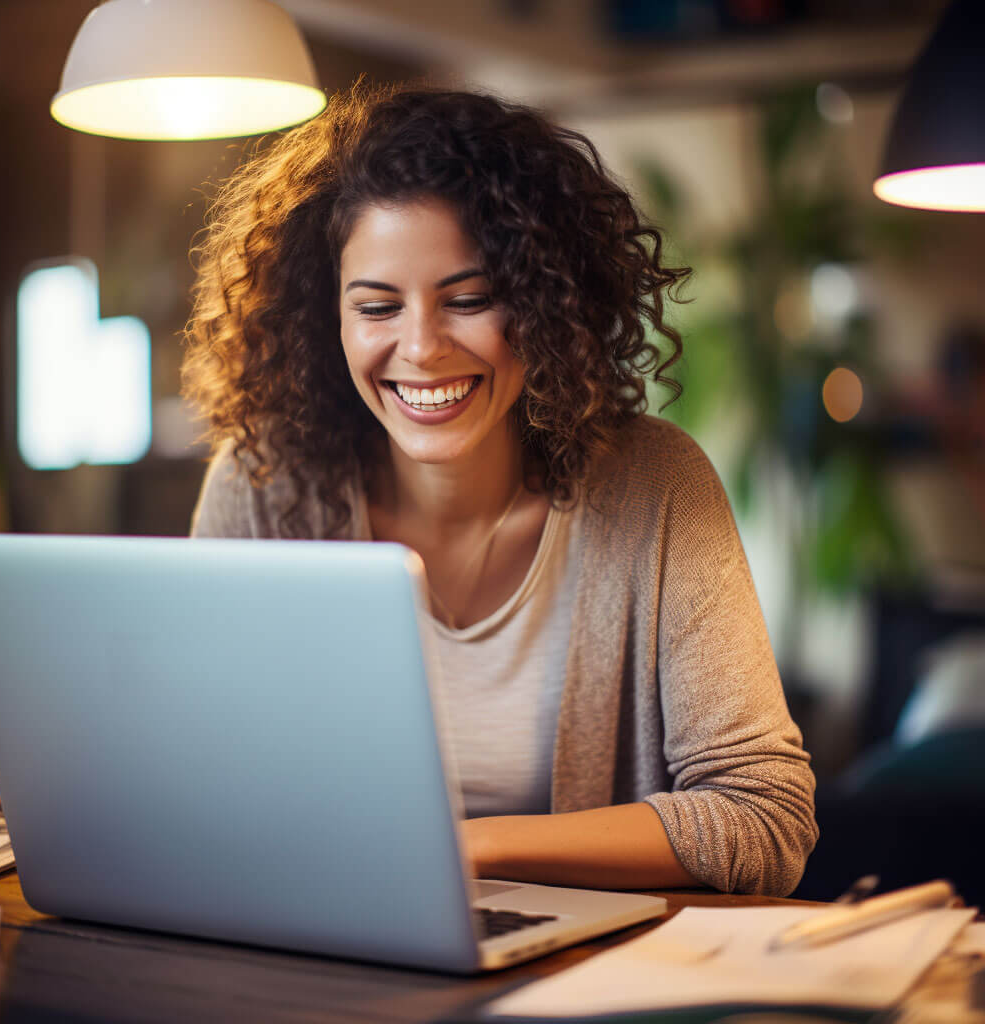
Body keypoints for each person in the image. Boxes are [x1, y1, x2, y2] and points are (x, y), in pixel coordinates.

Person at [183, 83, 817, 896]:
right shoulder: (264, 485)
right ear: (325, 319)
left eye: (470, 299)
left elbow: (764, 818)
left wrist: (472, 849)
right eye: (377, 306)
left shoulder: (655, 488)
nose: (421, 348)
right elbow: (197, 779)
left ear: (547, 299)